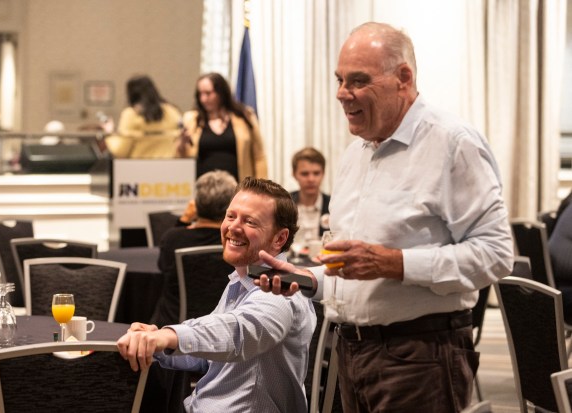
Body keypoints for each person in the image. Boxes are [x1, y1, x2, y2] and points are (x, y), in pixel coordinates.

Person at [257, 22, 514, 412]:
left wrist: (394, 263)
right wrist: (309, 280)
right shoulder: (355, 155)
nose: (343, 93)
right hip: (352, 352)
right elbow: (354, 273)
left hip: (419, 356)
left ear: (403, 78)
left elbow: (496, 255)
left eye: (358, 81)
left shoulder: (452, 144)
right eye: (340, 80)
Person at [117, 177, 316, 413]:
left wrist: (169, 337)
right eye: (231, 216)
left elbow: (238, 333)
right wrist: (157, 342)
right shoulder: (242, 280)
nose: (232, 227)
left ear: (279, 238)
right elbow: (208, 357)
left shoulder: (281, 291)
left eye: (249, 221)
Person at [151, 170, 238, 327]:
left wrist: (183, 220)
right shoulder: (236, 242)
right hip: (223, 327)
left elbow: (162, 267)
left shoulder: (174, 238)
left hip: (173, 328)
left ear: (196, 203)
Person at [177, 72, 268, 181]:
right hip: (202, 188)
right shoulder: (191, 120)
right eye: (200, 94)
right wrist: (181, 144)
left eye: (208, 93)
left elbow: (259, 157)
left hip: (239, 187)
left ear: (221, 92)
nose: (203, 99)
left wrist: (261, 187)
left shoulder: (245, 117)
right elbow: (180, 159)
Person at [110, 75, 182, 158]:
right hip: (169, 166)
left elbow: (121, 151)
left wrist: (110, 134)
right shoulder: (172, 111)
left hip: (138, 168)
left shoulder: (130, 114)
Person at [290, 147, 330, 249]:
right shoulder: (284, 203)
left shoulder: (333, 205)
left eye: (316, 173)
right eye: (304, 174)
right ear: (294, 174)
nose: (311, 179)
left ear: (323, 174)